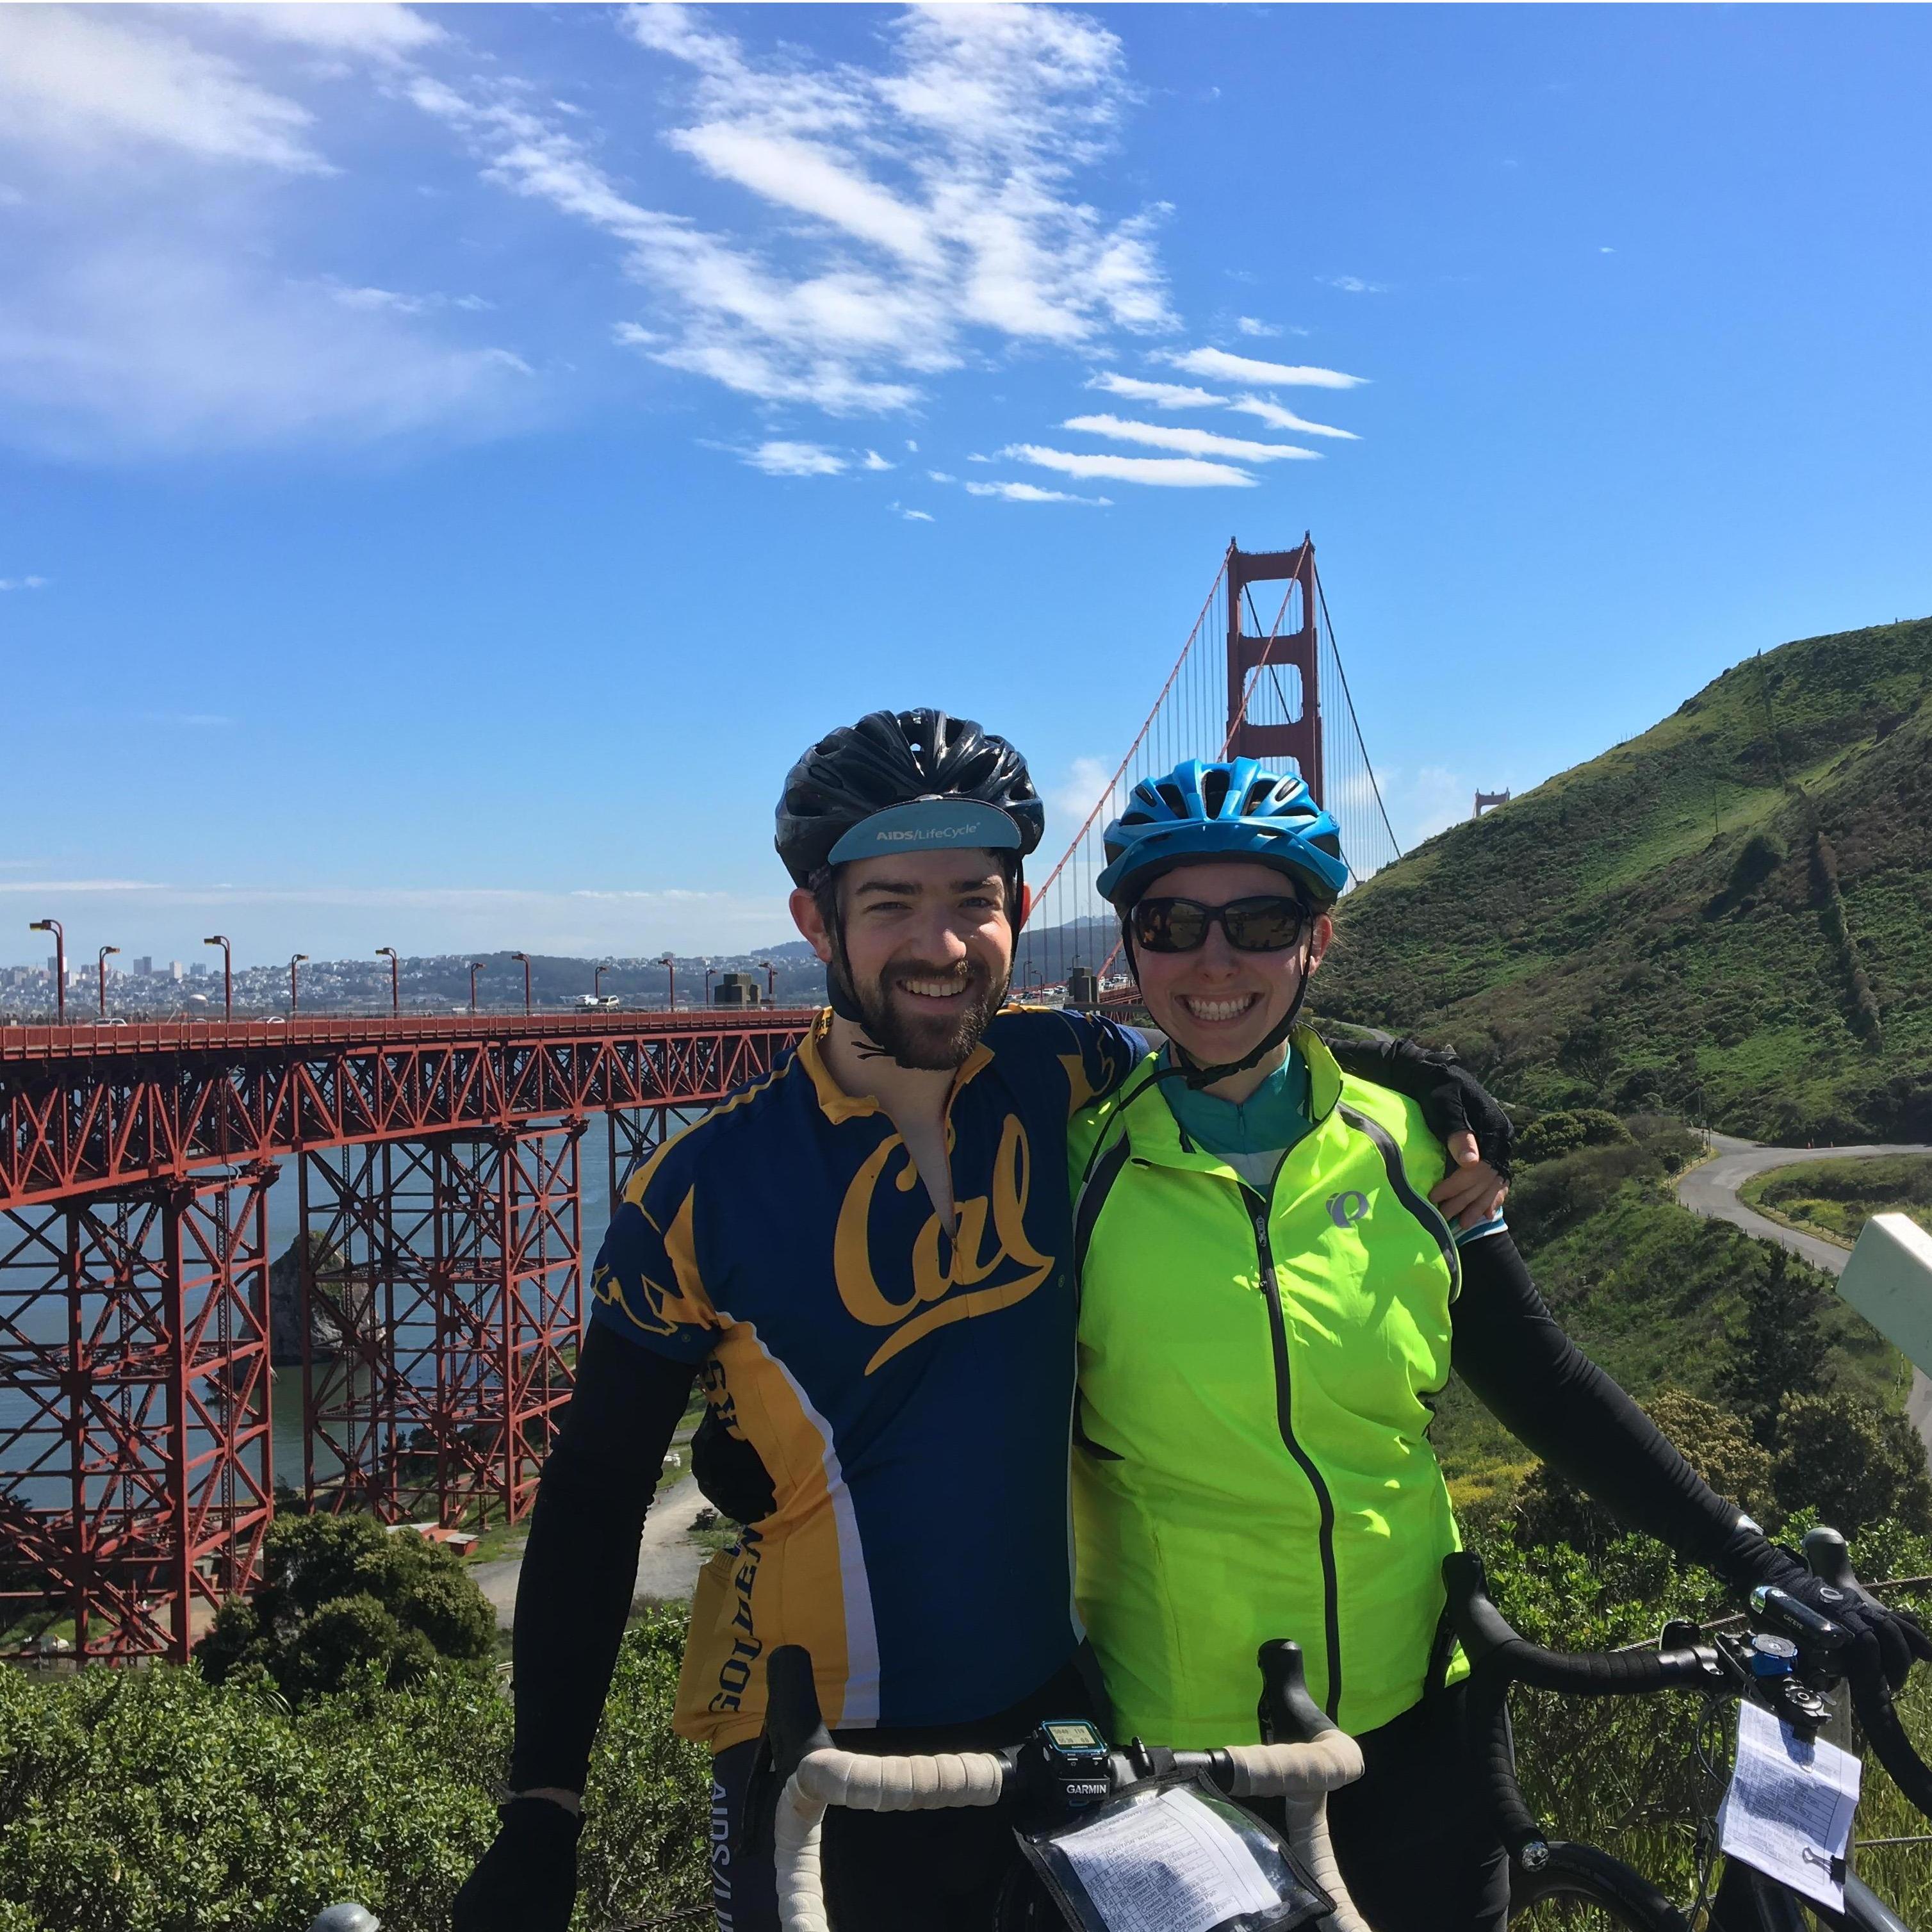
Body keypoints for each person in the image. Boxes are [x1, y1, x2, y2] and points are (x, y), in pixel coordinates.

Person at [453, 712, 1510, 1932]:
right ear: (815, 922)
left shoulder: (1062, 1074)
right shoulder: (699, 1193)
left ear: (1018, 909)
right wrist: (544, 1805)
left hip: (1065, 1726)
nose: (941, 943)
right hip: (819, 1756)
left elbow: (1227, 1039)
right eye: (892, 903)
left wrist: (1419, 1077)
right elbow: (589, 1500)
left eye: (976, 898)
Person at [1065, 757, 1932, 1932]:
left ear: (1317, 942)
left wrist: (1751, 1559)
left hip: (1430, 1709)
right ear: (1132, 946)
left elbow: (1543, 1381)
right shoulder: (1069, 1168)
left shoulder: (1417, 1148)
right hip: (1184, 1739)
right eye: (1173, 923)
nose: (1215, 962)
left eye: (1261, 921)